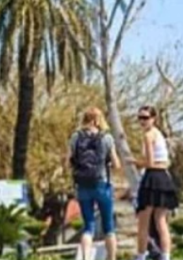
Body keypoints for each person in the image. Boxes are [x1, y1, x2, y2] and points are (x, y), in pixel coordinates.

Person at [69, 107, 122, 260]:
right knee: (108, 226)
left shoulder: (75, 137)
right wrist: (109, 164)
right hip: (102, 184)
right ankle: (111, 258)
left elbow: (68, 160)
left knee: (88, 226)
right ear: (99, 120)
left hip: (83, 185)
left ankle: (86, 258)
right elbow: (117, 164)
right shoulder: (107, 138)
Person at [130, 106, 177, 260]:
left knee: (144, 220)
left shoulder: (149, 136)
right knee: (160, 220)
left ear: (153, 118)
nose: (142, 121)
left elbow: (150, 162)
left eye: (145, 118)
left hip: (152, 178)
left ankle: (141, 255)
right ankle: (165, 256)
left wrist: (135, 162)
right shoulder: (159, 134)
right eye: (140, 118)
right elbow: (165, 161)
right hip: (164, 177)